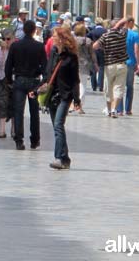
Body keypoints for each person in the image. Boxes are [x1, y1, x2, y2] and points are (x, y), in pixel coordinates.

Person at [4, 19, 47, 150]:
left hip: (20, 81)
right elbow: (45, 67)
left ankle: (19, 140)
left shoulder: (15, 46)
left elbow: (8, 66)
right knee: (34, 112)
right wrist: (43, 81)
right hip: (34, 82)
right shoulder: (39, 46)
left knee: (18, 111)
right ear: (34, 31)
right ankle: (35, 140)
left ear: (23, 30)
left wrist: (9, 81)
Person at [45, 26, 81, 170]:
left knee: (58, 125)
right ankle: (65, 158)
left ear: (61, 38)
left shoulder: (71, 57)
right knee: (56, 127)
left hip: (65, 96)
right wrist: (39, 89)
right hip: (52, 95)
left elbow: (75, 80)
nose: (52, 38)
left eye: (54, 36)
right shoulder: (53, 53)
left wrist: (77, 99)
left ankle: (59, 158)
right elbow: (48, 74)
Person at [94, 19, 129, 118]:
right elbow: (126, 21)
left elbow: (95, 46)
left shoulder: (105, 36)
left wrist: (104, 48)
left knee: (108, 88)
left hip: (109, 65)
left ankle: (109, 110)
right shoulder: (123, 34)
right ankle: (114, 109)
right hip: (122, 65)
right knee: (119, 88)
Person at [113, 17, 139, 116]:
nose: (133, 24)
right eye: (133, 22)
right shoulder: (135, 35)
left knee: (119, 86)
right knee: (130, 87)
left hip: (119, 62)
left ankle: (119, 110)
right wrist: (138, 63)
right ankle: (128, 109)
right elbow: (136, 50)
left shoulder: (118, 34)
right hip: (130, 63)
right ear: (129, 23)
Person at [0, 28, 15, 139]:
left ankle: (13, 128)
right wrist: (2, 51)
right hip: (2, 79)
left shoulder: (16, 49)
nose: (6, 41)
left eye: (8, 39)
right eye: (4, 39)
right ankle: (2, 130)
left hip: (13, 79)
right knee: (2, 103)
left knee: (14, 103)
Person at [72, 23, 96, 112]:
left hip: (73, 64)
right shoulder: (88, 41)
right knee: (83, 85)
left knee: (73, 84)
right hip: (84, 65)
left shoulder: (72, 40)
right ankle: (80, 106)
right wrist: (95, 64)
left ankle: (72, 104)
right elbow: (92, 54)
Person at [88, 19, 107, 91]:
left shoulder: (92, 31)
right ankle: (100, 85)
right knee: (101, 68)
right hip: (102, 51)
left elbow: (87, 38)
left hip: (93, 51)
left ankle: (94, 86)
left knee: (93, 68)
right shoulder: (105, 31)